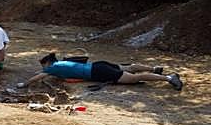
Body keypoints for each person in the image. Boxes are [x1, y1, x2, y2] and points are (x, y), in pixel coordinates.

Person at [25, 53, 182, 91]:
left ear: (49, 63)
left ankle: (169, 77)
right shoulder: (63, 62)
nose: (44, 68)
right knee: (128, 67)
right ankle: (154, 68)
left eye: (44, 65)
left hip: (99, 73)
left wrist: (24, 84)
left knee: (134, 78)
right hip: (99, 65)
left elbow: (40, 75)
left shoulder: (54, 67)